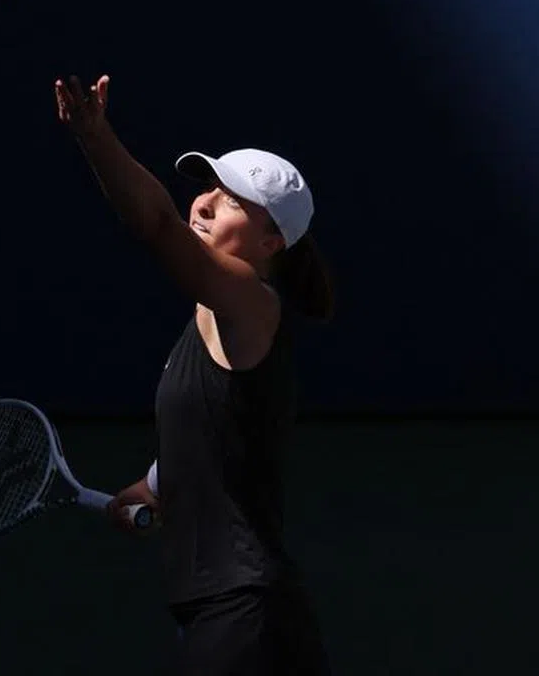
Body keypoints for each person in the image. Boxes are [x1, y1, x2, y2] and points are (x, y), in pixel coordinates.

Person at [54, 74, 333, 675]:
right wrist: (155, 485)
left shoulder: (254, 303)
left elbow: (156, 224)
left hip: (245, 616)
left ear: (271, 239)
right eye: (205, 187)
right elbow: (220, 426)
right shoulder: (212, 320)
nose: (202, 202)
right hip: (237, 614)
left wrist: (95, 137)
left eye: (228, 199)